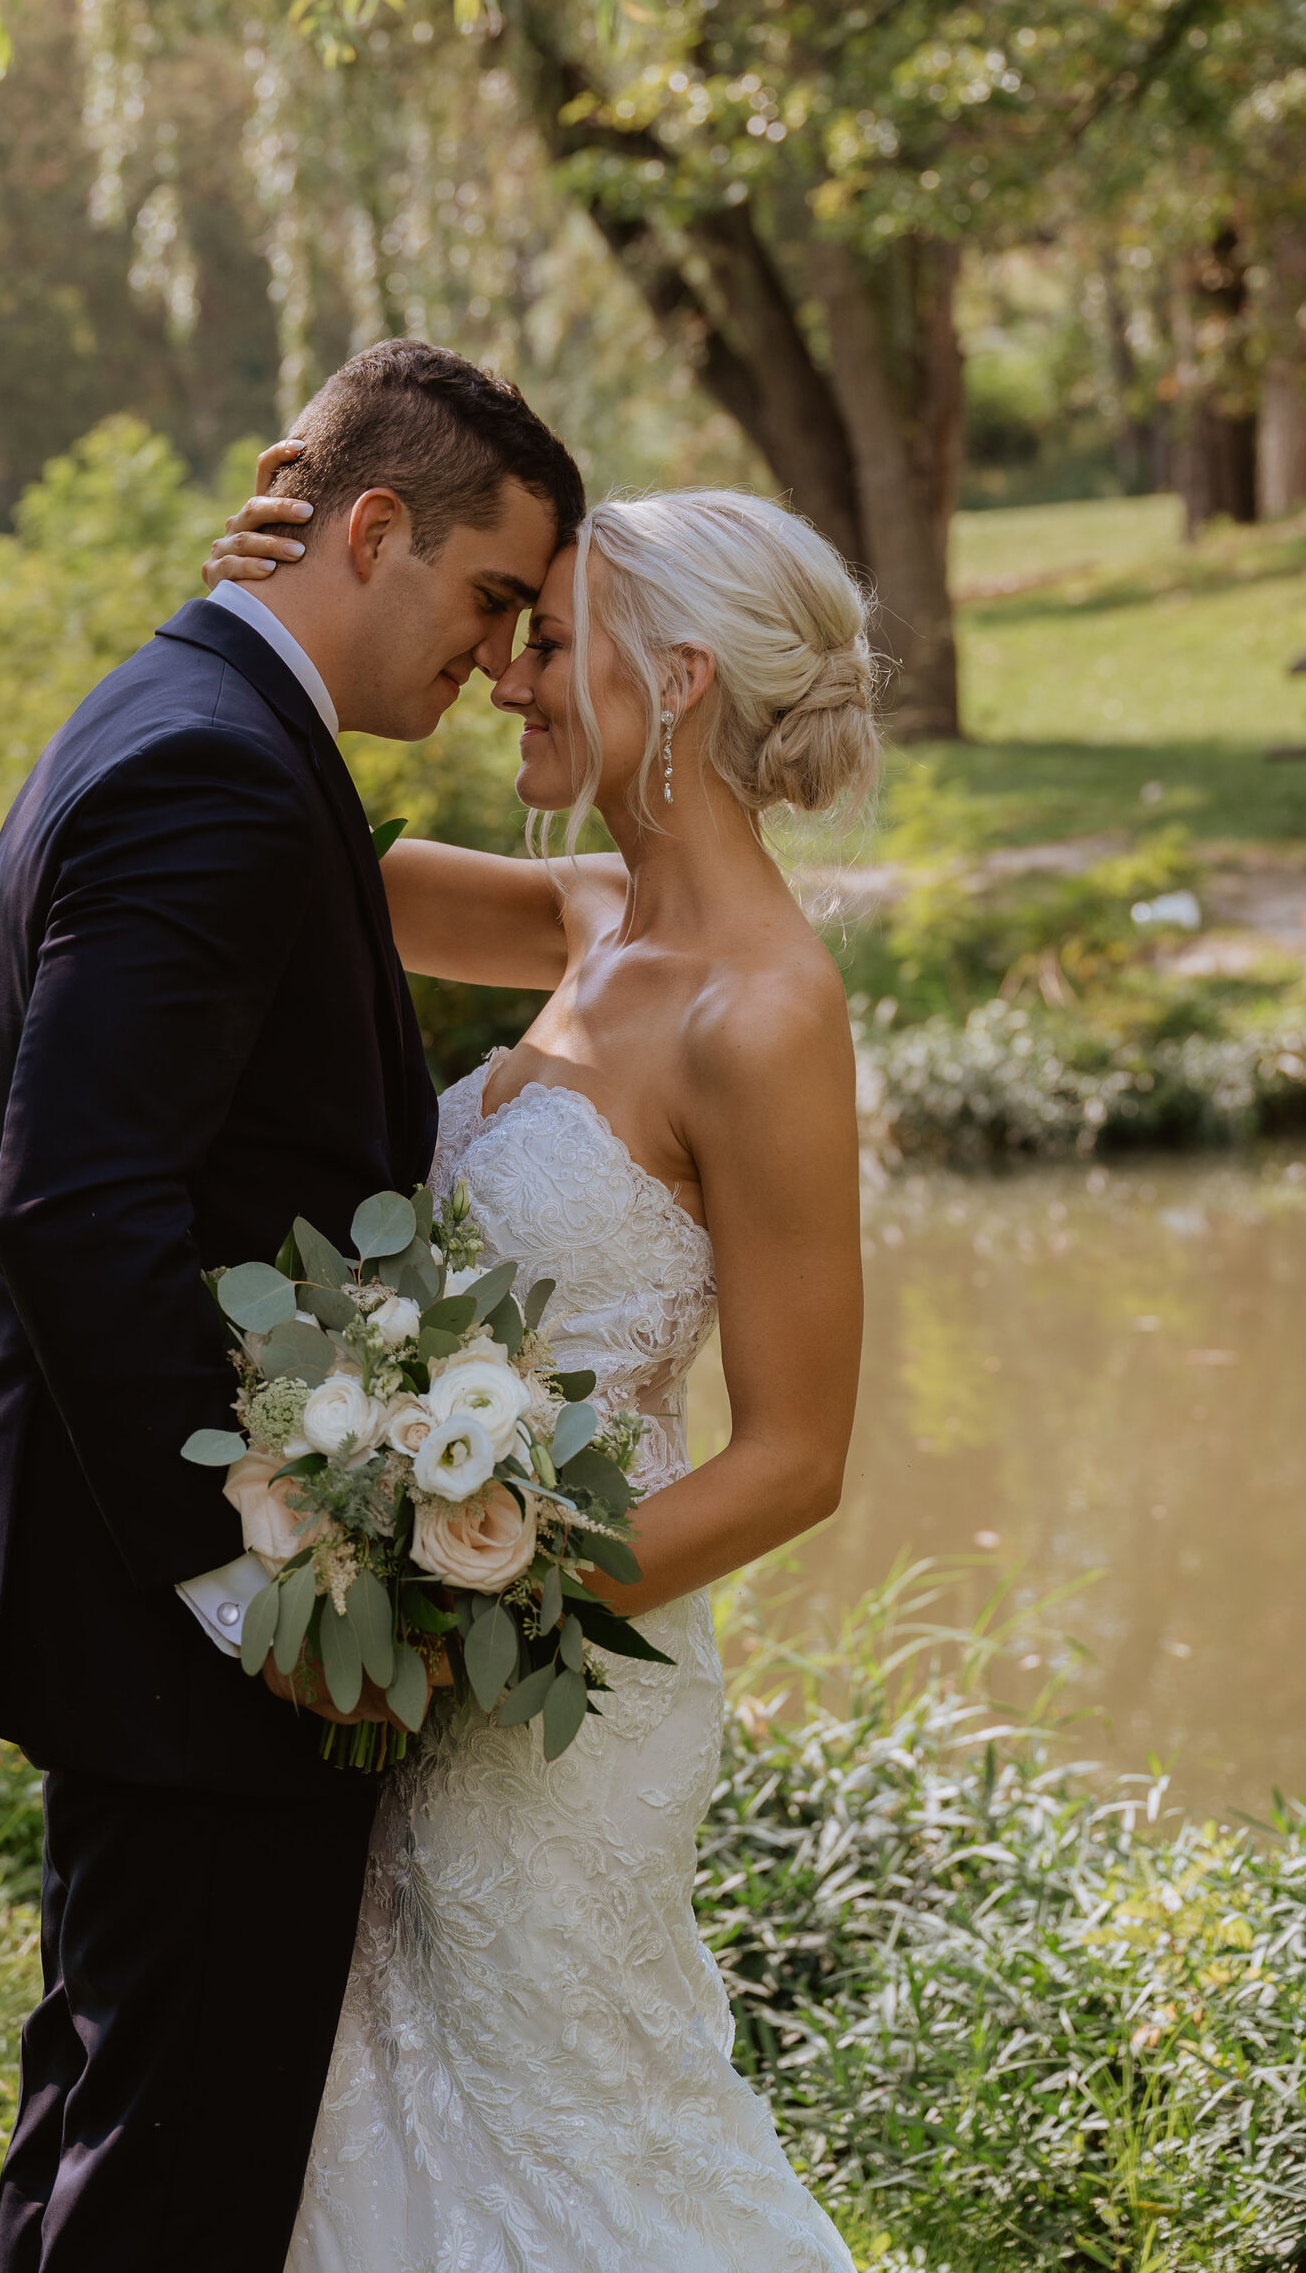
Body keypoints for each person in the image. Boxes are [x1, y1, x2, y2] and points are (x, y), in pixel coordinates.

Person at [0, 339, 584, 2273]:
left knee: (115, 2112)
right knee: (180, 2179)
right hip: (188, 1617)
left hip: (133, 1597)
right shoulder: (212, 764)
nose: (489, 658)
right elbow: (81, 1207)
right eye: (483, 600)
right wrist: (247, 1585)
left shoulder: (195, 709)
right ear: (370, 530)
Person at [201, 474, 871, 2269]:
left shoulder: (767, 1013)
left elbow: (795, 1458)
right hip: (422, 1667)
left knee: (585, 2119)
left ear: (687, 679)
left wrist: (462, 1616)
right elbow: (254, 831)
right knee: (391, 2109)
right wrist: (248, 611)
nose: (504, 672)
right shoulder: (582, 919)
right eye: (507, 633)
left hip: (570, 1697)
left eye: (551, 640)